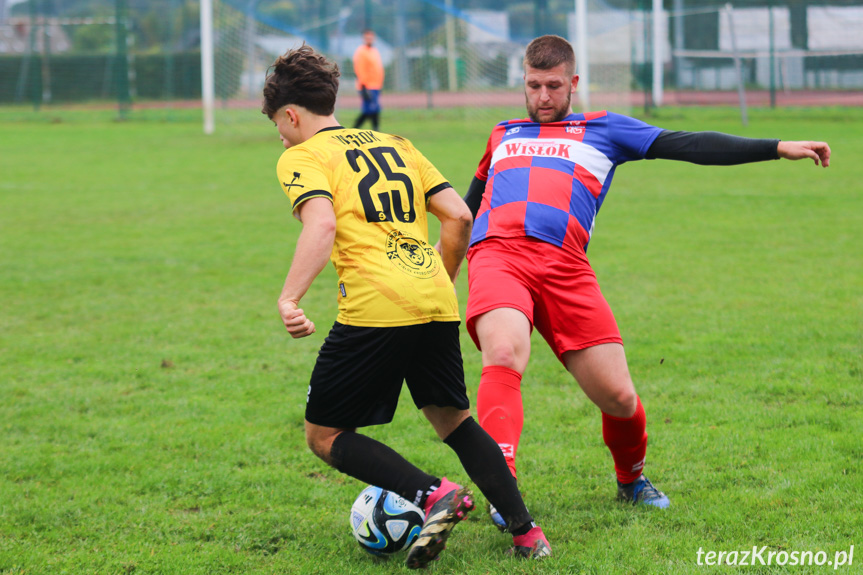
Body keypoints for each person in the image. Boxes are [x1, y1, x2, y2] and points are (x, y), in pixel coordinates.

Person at [460, 35, 831, 529]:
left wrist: (776, 147)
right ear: (522, 83)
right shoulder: (501, 133)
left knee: (620, 399)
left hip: (566, 268)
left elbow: (689, 143)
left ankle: (631, 480)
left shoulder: (605, 128)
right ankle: (501, 488)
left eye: (553, 85)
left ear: (573, 83)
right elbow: (465, 207)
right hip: (499, 256)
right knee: (503, 353)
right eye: (533, 85)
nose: (543, 96)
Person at [261, 45, 551, 567]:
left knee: (324, 434)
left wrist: (289, 297)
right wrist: (439, 280)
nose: (280, 137)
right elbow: (460, 217)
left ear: (290, 114)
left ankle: (431, 494)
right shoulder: (395, 143)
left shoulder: (301, 156)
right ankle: (528, 534)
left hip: (377, 305)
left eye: (279, 127)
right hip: (434, 296)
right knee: (454, 419)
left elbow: (322, 224)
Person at [352, 29, 384, 130]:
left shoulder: (374, 51)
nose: (369, 39)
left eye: (371, 37)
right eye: (367, 37)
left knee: (374, 109)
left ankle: (376, 130)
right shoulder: (361, 52)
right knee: (369, 110)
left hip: (376, 85)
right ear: (363, 39)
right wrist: (363, 85)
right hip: (367, 86)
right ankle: (353, 130)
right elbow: (359, 69)